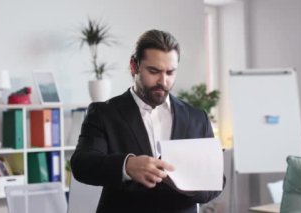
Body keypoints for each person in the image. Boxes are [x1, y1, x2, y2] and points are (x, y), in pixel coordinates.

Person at [71, 29, 223, 213]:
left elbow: (216, 180)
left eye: (170, 72)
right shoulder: (104, 113)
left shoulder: (198, 118)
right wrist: (126, 165)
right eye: (154, 71)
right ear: (134, 66)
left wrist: (190, 188)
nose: (163, 81)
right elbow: (82, 164)